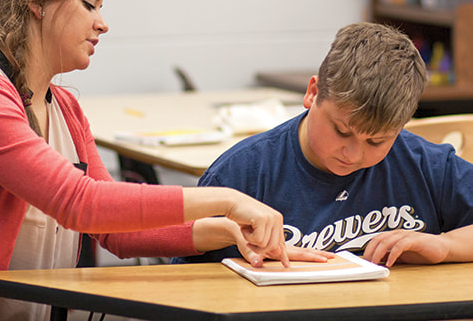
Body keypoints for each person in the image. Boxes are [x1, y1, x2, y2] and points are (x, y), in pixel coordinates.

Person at [0, 0, 309, 321]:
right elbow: (81, 203)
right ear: (37, 3)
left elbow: (112, 230)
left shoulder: (66, 107)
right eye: (89, 4)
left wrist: (224, 231)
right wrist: (226, 199)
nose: (102, 24)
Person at [173, 22, 473, 268]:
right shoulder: (241, 175)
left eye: (377, 141)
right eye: (341, 131)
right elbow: (181, 283)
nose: (353, 154)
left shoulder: (425, 166)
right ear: (313, 93)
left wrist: (445, 246)